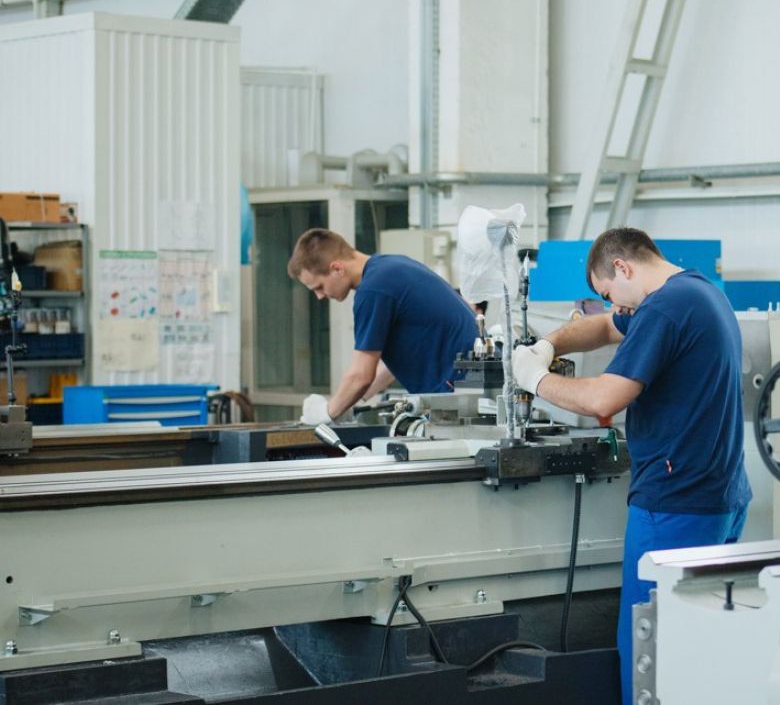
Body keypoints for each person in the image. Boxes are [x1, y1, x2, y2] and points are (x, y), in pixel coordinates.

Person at [511, 227, 752, 705]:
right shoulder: (700, 292)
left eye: (608, 292)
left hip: (675, 503)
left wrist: (534, 379)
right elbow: (604, 327)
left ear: (622, 267)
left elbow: (604, 397)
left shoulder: (664, 307)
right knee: (697, 652)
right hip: (722, 495)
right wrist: (549, 346)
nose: (613, 305)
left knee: (649, 652)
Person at [287, 228, 478, 424]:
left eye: (319, 287)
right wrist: (347, 403)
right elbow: (391, 366)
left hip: (460, 400)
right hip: (473, 391)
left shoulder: (373, 290)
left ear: (337, 268)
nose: (319, 296)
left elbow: (361, 376)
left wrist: (326, 413)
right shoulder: (391, 266)